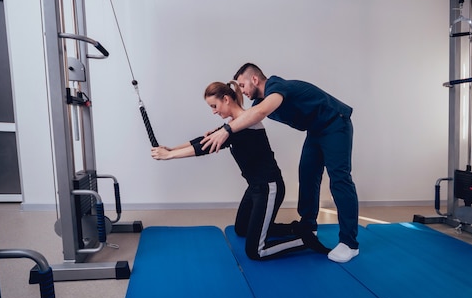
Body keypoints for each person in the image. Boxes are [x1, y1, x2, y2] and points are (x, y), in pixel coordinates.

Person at [151, 81, 329, 260]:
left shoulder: (243, 124)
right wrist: (171, 149)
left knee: (255, 252)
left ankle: (305, 240)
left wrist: (169, 156)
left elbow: (203, 149)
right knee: (241, 228)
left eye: (214, 106)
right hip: (255, 188)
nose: (214, 111)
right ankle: (294, 228)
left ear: (226, 99)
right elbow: (202, 140)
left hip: (269, 188)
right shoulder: (233, 125)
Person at [201, 63, 359, 263]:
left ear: (255, 80)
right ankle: (307, 227)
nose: (241, 91)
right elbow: (244, 120)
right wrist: (218, 131)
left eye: (242, 86)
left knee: (339, 179)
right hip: (316, 130)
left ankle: (349, 243)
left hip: (336, 122)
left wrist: (226, 131)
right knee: (307, 176)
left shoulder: (275, 87)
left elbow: (258, 114)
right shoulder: (258, 101)